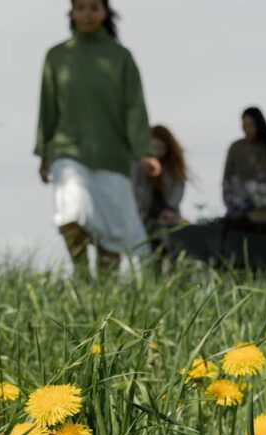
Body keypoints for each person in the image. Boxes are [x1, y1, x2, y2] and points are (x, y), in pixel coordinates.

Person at [34, 0, 161, 272]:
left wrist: (143, 150)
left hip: (112, 153)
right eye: (80, 8)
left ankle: (104, 294)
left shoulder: (120, 58)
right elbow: (48, 107)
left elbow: (134, 107)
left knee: (112, 229)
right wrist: (44, 152)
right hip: (67, 149)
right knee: (70, 211)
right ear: (72, 13)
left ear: (105, 13)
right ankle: (81, 273)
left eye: (94, 7)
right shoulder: (57, 56)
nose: (87, 14)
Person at [222, 107, 266, 222]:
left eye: (251, 126)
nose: (248, 130)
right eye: (244, 126)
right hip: (242, 212)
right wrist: (232, 205)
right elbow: (227, 181)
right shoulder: (236, 148)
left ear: (259, 125)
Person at [132, 125, 188, 230]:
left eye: (160, 148)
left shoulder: (174, 168)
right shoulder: (137, 165)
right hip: (141, 221)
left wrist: (169, 209)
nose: (156, 153)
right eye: (153, 147)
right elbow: (134, 191)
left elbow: (178, 191)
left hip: (168, 222)